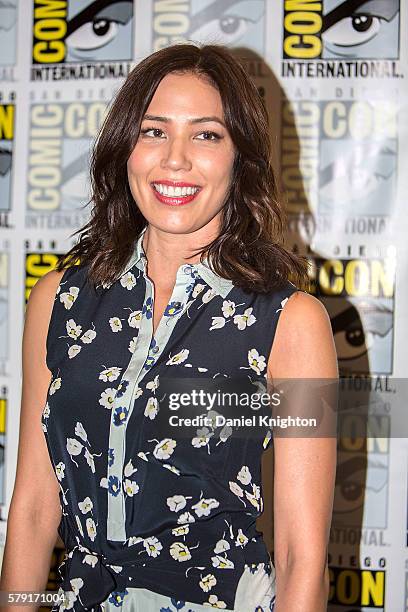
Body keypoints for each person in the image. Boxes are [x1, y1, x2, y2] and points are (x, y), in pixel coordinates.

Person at [0, 43, 338, 612]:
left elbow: (302, 554)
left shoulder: (293, 323)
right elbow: (34, 510)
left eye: (207, 135)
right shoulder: (57, 299)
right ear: (124, 149)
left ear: (241, 158)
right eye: (154, 132)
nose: (174, 160)